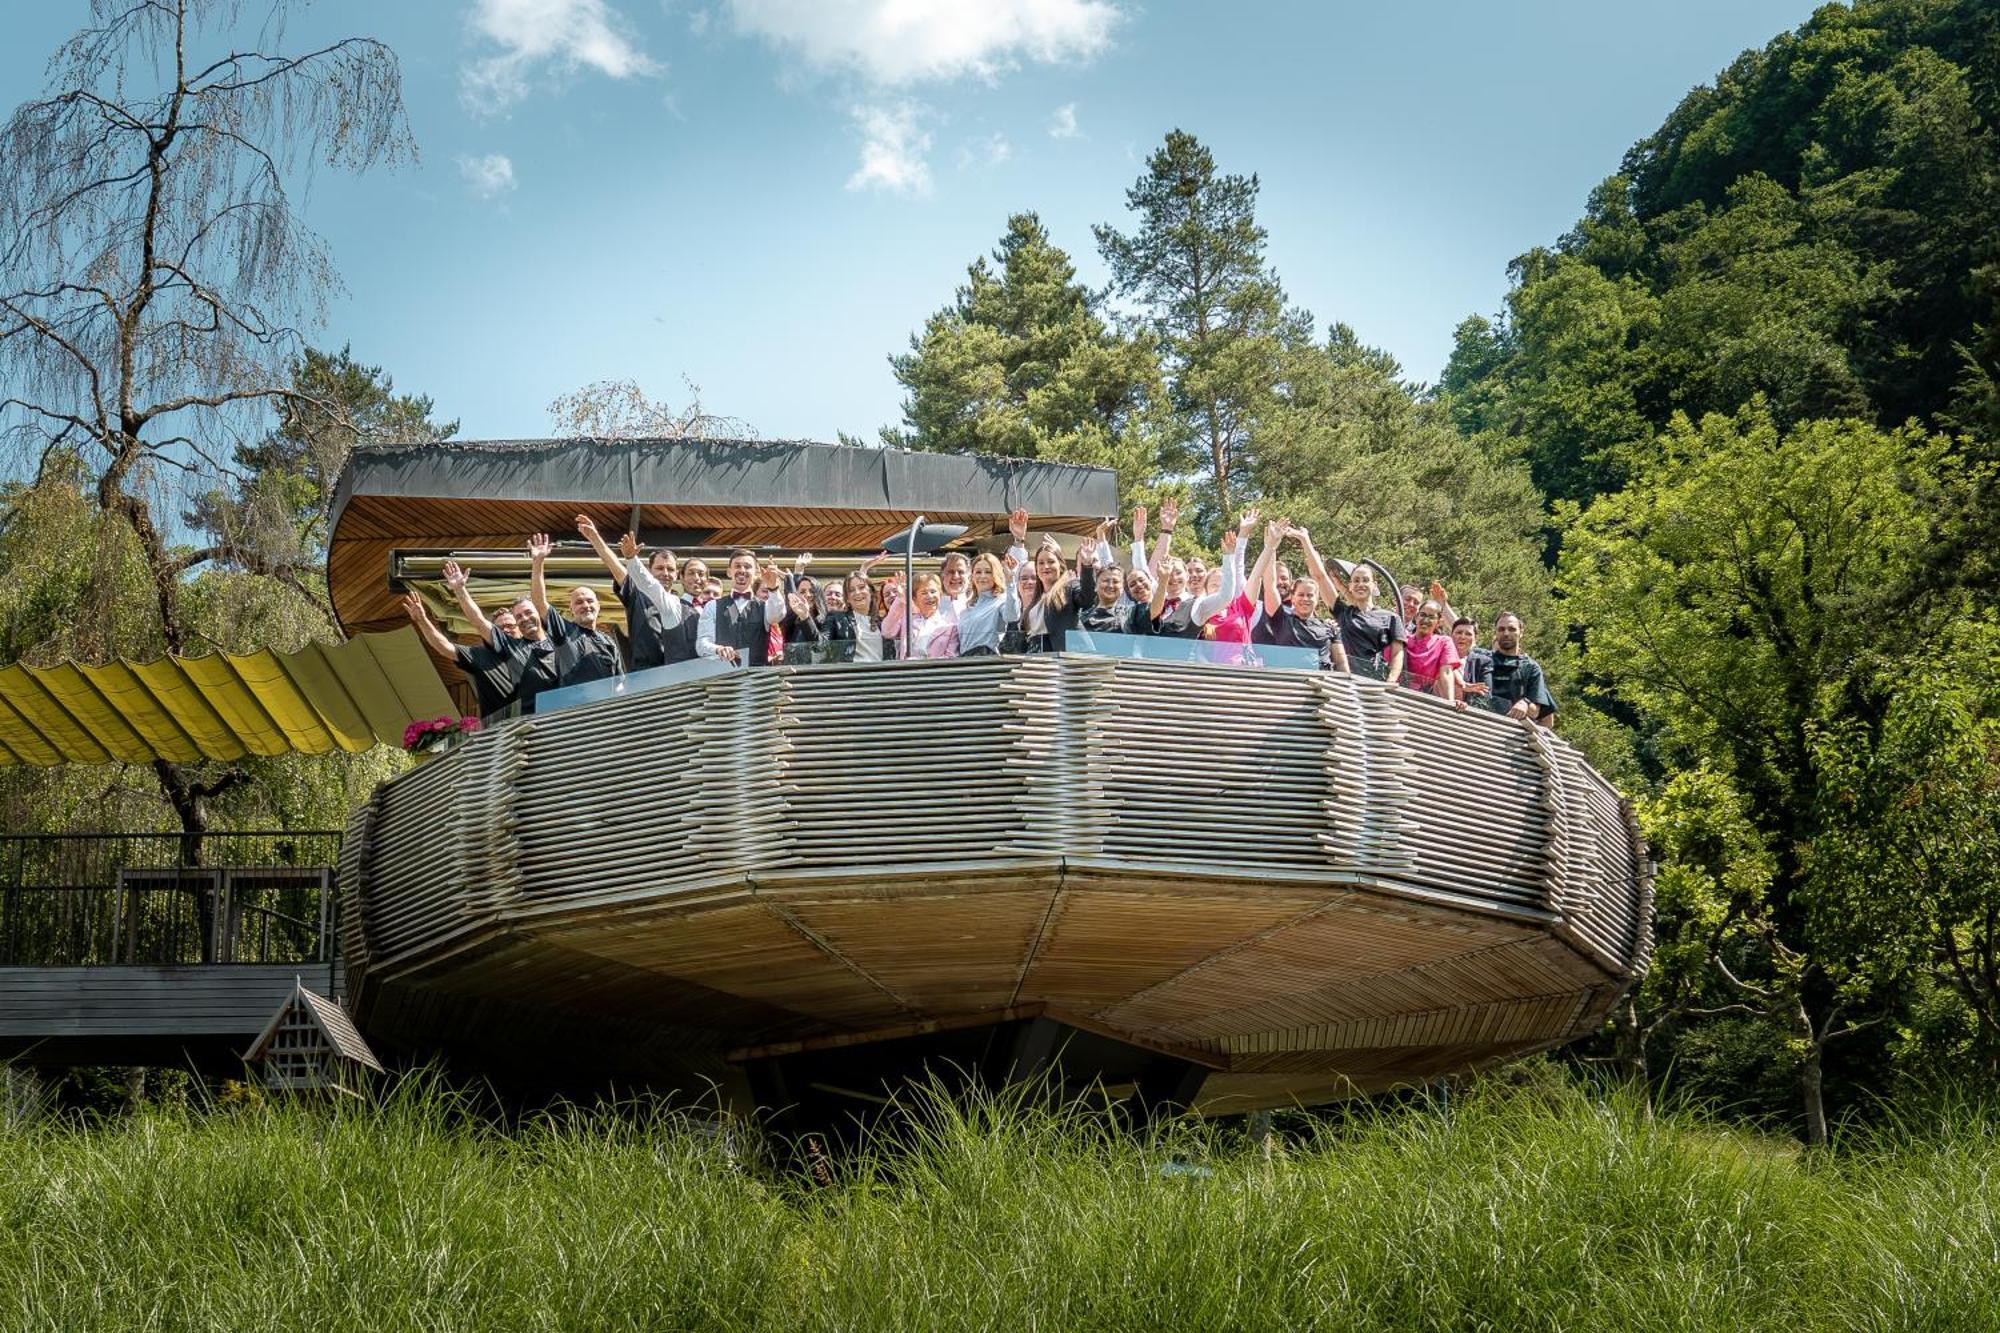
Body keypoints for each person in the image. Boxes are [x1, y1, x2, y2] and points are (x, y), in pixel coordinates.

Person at [437, 558, 560, 713]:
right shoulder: (513, 647)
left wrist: (538, 561)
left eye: (528, 613)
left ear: (539, 612)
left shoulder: (560, 639)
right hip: (535, 719)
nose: (525, 618)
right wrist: (460, 590)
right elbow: (479, 622)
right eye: (519, 617)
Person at [575, 515, 689, 671]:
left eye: (670, 569)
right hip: (645, 675)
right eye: (660, 568)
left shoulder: (684, 606)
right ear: (649, 571)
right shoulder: (637, 594)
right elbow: (615, 566)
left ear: (677, 574)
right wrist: (594, 537)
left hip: (677, 674)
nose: (665, 573)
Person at [1293, 535, 1407, 682]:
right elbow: (1320, 576)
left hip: (1373, 680)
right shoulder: (1343, 613)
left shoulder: (1390, 617)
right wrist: (1305, 540)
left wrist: (1391, 680)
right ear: (1350, 586)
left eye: (1366, 580)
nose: (1361, 584)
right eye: (1356, 580)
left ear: (1374, 585)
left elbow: (1398, 653)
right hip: (1345, 679)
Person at [403, 588, 524, 718]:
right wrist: (422, 620)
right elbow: (444, 647)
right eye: (499, 628)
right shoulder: (480, 655)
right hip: (501, 728)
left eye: (511, 626)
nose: (505, 630)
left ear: (520, 629)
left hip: (540, 721)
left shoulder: (534, 651)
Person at [528, 533, 625, 687]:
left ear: (598, 606)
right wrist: (538, 561)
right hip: (575, 708)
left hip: (605, 708)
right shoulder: (564, 631)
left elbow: (619, 683)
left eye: (589, 601)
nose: (586, 605)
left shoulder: (608, 642)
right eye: (579, 602)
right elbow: (539, 603)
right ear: (571, 609)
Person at [1253, 526, 1349, 671]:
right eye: (1301, 595)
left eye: (1310, 595)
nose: (1306, 599)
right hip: (1292, 684)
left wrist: (1304, 539)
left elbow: (1342, 663)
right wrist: (1271, 547)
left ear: (1317, 599)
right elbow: (1270, 585)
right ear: (1292, 597)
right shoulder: (1282, 620)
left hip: (1323, 684)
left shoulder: (1329, 627)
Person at [697, 547, 783, 666]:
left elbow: (778, 616)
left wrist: (773, 588)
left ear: (756, 572)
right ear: (729, 571)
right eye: (737, 566)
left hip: (758, 677)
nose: (742, 570)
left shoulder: (765, 606)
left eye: (747, 566)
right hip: (723, 676)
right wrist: (718, 649)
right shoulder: (713, 606)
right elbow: (702, 644)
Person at [1478, 612, 1557, 723]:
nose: (1506, 633)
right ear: (1495, 633)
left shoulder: (1530, 667)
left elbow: (1538, 711)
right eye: (1501, 629)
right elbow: (1463, 633)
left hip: (1511, 733)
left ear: (1521, 632)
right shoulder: (1481, 659)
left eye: (1512, 629)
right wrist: (1444, 605)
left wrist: (1525, 704)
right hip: (1479, 725)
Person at [882, 571, 957, 657]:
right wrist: (900, 599)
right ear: (915, 598)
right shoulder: (907, 620)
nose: (929, 596)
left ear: (940, 595)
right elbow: (887, 632)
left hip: (934, 670)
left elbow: (951, 657)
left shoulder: (950, 627)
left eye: (933, 591)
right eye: (924, 593)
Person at [954, 552, 1016, 655]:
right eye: (978, 572)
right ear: (972, 576)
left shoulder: (1000, 601)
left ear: (995, 574)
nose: (982, 576)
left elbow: (1012, 616)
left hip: (986, 661)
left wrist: (1010, 583)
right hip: (964, 662)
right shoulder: (967, 606)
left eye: (988, 572)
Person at [1401, 599, 1462, 702]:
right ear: (1416, 617)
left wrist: (1450, 702)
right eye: (1423, 615)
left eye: (1431, 617)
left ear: (1438, 622)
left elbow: (1446, 672)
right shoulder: (1403, 637)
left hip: (1425, 699)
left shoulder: (1443, 642)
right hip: (1398, 693)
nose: (1426, 620)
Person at [1452, 617, 1491, 704]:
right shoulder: (1440, 655)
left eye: (1468, 634)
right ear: (1451, 635)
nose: (1462, 637)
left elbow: (1485, 696)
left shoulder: (1483, 663)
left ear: (1475, 638)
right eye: (1459, 632)